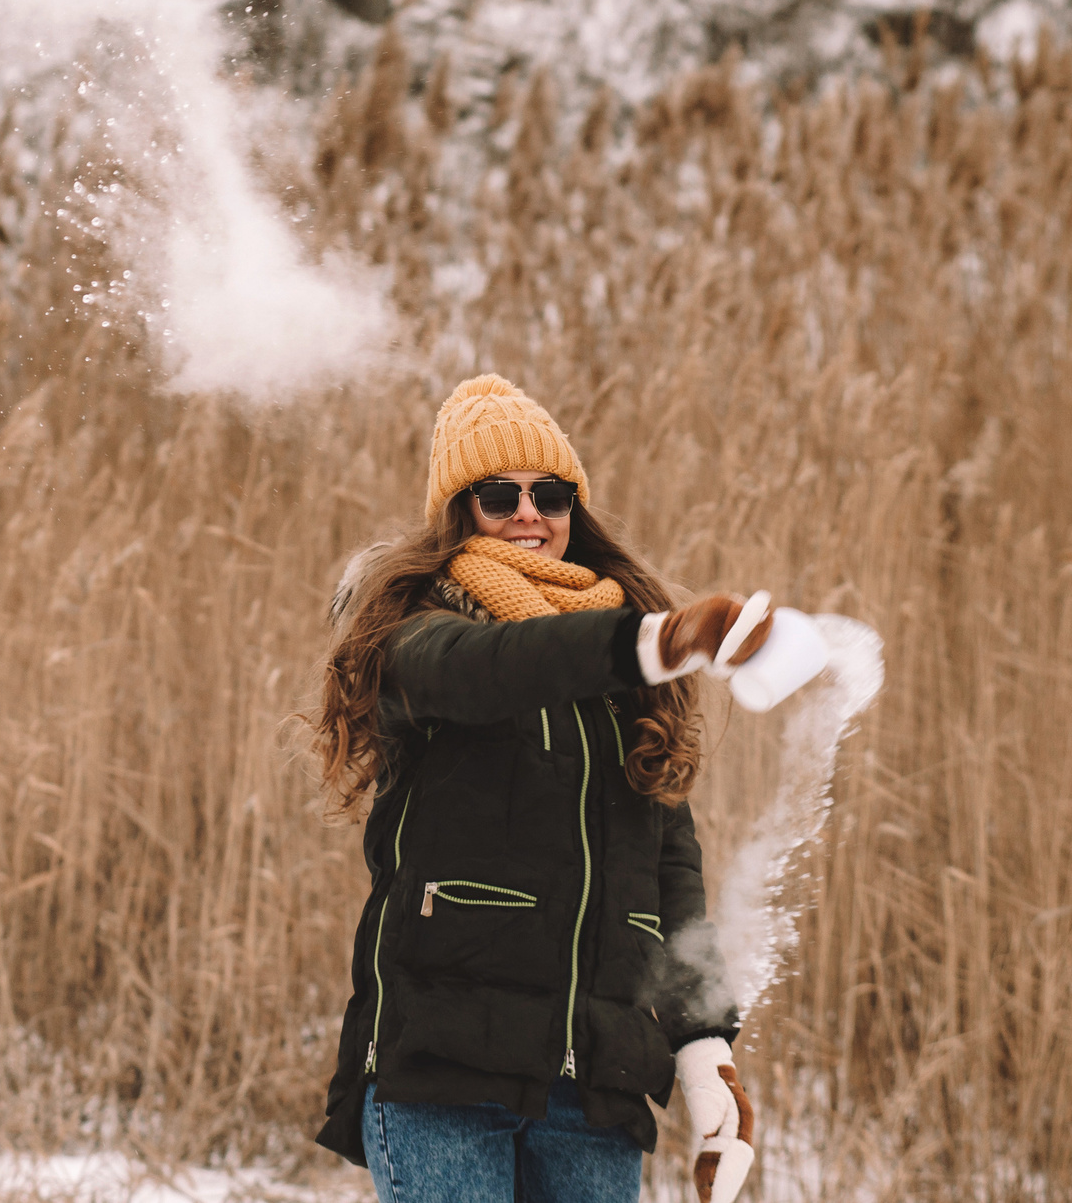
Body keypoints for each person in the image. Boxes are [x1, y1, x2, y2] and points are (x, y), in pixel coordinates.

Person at [307, 375, 772, 1203]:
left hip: (593, 1092)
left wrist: (706, 1054)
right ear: (458, 510)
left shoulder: (625, 673)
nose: (530, 512)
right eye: (498, 493)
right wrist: (650, 641)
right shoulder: (418, 634)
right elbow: (496, 672)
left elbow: (670, 876)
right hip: (444, 1082)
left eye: (550, 492)